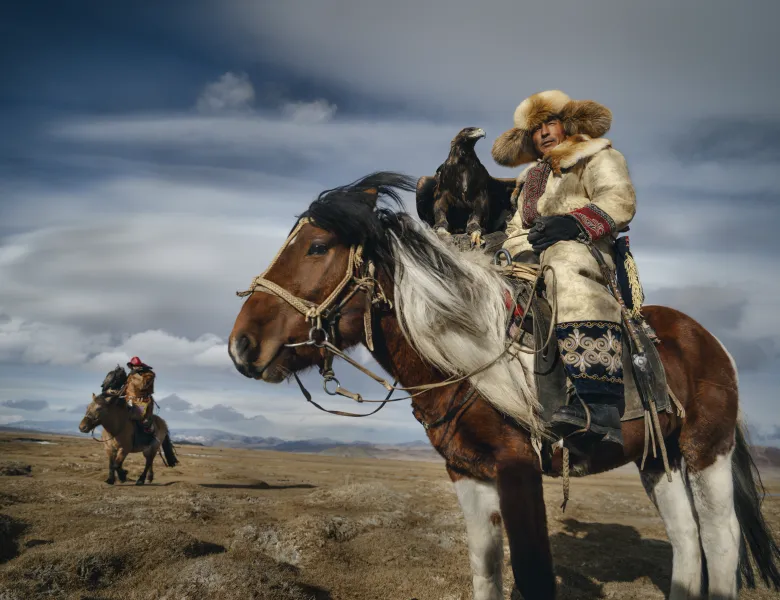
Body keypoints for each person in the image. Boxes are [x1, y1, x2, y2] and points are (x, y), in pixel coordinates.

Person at [491, 90, 637, 449]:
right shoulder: (529, 179)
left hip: (585, 249)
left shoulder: (598, 155)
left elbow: (619, 200)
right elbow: (515, 228)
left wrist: (572, 224)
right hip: (528, 257)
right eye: (535, 129)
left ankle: (598, 399)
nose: (542, 133)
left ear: (567, 124)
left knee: (563, 266)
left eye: (549, 123)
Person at [123, 356, 156, 434]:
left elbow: (142, 385)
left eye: (137, 366)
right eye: (134, 366)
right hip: (128, 400)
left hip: (142, 401)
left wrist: (136, 375)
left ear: (140, 365)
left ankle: (148, 438)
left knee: (141, 422)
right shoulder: (131, 375)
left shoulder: (149, 374)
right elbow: (126, 388)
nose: (135, 367)